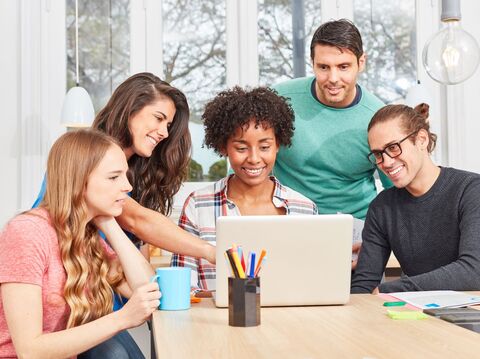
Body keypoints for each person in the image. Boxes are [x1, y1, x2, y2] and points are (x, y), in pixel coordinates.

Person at [0, 130, 161, 358]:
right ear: (78, 181)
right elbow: (30, 350)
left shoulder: (87, 234)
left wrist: (110, 224)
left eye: (125, 175)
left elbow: (147, 288)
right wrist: (123, 317)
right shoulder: (27, 233)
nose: (128, 186)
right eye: (114, 177)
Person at [33, 72, 215, 264]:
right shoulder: (84, 158)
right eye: (158, 118)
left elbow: (138, 246)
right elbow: (137, 221)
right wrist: (209, 251)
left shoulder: (137, 173)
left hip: (108, 288)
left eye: (168, 125)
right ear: (130, 109)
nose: (164, 133)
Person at [171, 86, 317, 295]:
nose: (254, 158)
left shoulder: (304, 208)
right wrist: (237, 297)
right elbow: (184, 287)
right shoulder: (198, 204)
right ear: (223, 147)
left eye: (265, 147)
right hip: (214, 325)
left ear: (278, 145)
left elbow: (311, 285)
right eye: (241, 148)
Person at [272, 19, 392, 267]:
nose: (333, 78)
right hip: (288, 227)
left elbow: (398, 192)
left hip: (356, 236)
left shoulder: (380, 117)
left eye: (344, 66)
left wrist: (376, 243)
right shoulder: (279, 100)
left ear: (361, 63)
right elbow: (244, 163)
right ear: (312, 64)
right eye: (323, 67)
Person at [351, 104, 480, 293]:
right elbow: (364, 285)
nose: (386, 162)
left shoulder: (470, 190)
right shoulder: (382, 207)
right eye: (378, 154)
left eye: (393, 148)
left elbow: (474, 271)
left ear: (421, 140)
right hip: (417, 316)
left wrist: (394, 289)